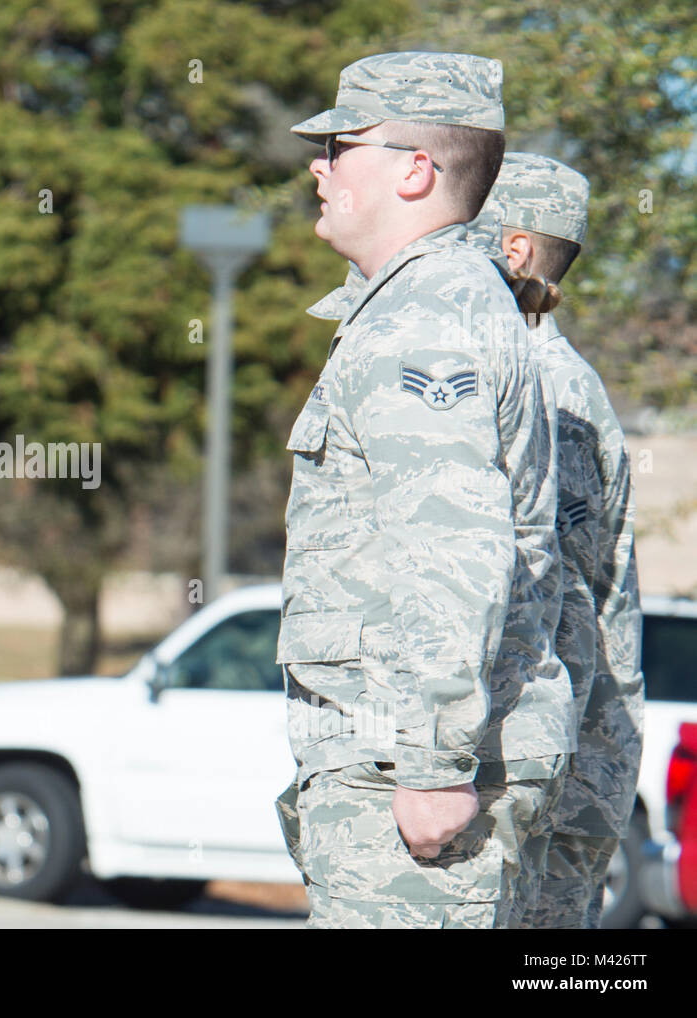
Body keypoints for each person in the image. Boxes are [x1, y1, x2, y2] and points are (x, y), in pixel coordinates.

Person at [275, 52, 575, 928]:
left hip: (407, 771)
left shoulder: (427, 314)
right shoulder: (436, 297)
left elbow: (453, 542)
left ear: (417, 170)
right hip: (401, 758)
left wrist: (436, 764)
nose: (318, 167)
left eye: (341, 144)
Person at [483, 153, 644, 928]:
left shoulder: (548, 388)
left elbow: (561, 608)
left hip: (543, 778)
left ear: (513, 251)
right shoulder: (521, 370)